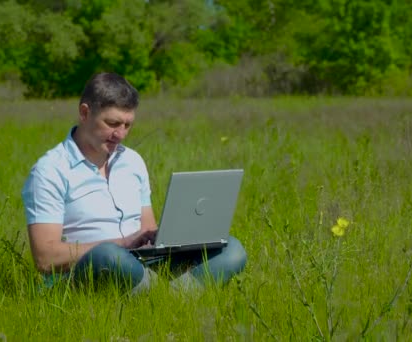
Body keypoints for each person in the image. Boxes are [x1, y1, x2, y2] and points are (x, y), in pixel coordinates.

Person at [21, 72, 247, 293]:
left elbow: (146, 227)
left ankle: (165, 295)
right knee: (107, 254)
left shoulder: (132, 161)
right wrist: (122, 244)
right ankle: (171, 294)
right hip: (92, 268)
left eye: (128, 125)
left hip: (141, 265)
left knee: (232, 249)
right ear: (84, 113)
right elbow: (45, 258)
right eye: (112, 123)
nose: (120, 134)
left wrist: (171, 238)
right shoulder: (50, 170)